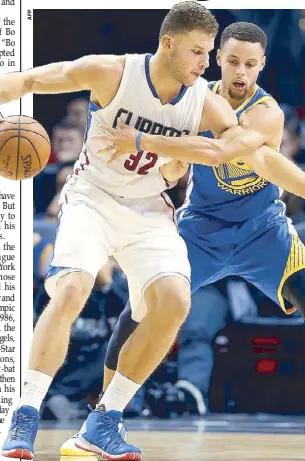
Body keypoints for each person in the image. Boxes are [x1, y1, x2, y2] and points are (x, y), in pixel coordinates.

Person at [0, 2, 240, 460]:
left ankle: (104, 421)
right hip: (92, 198)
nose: (205, 64)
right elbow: (29, 80)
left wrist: (192, 154)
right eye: (197, 52)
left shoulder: (205, 102)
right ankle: (26, 413)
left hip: (150, 211)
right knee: (72, 290)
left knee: (175, 301)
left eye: (209, 53)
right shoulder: (113, 73)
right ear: (167, 43)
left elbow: (239, 143)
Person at [59, 19, 305, 454]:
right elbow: (176, 166)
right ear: (218, 60)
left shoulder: (268, 113)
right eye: (231, 61)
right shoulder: (196, 100)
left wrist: (140, 139)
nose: (240, 72)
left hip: (262, 230)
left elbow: (223, 152)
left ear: (262, 65)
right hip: (200, 229)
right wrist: (166, 161)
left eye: (250, 64)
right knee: (138, 310)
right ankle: (103, 421)